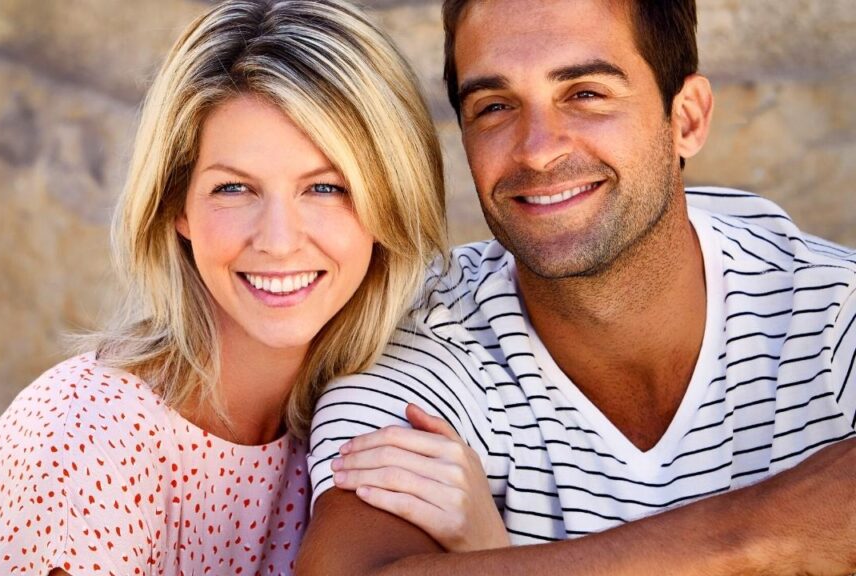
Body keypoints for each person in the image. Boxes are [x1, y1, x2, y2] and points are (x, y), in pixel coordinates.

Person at [299, 0, 856, 574]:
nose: (538, 149)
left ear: (686, 118)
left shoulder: (836, 317)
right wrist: (763, 536)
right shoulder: (424, 340)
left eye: (586, 94)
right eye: (494, 106)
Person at [0, 0, 448, 573]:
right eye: (234, 188)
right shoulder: (81, 442)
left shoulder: (367, 416)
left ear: (391, 205)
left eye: (325, 188)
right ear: (177, 206)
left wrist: (480, 537)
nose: (279, 241)